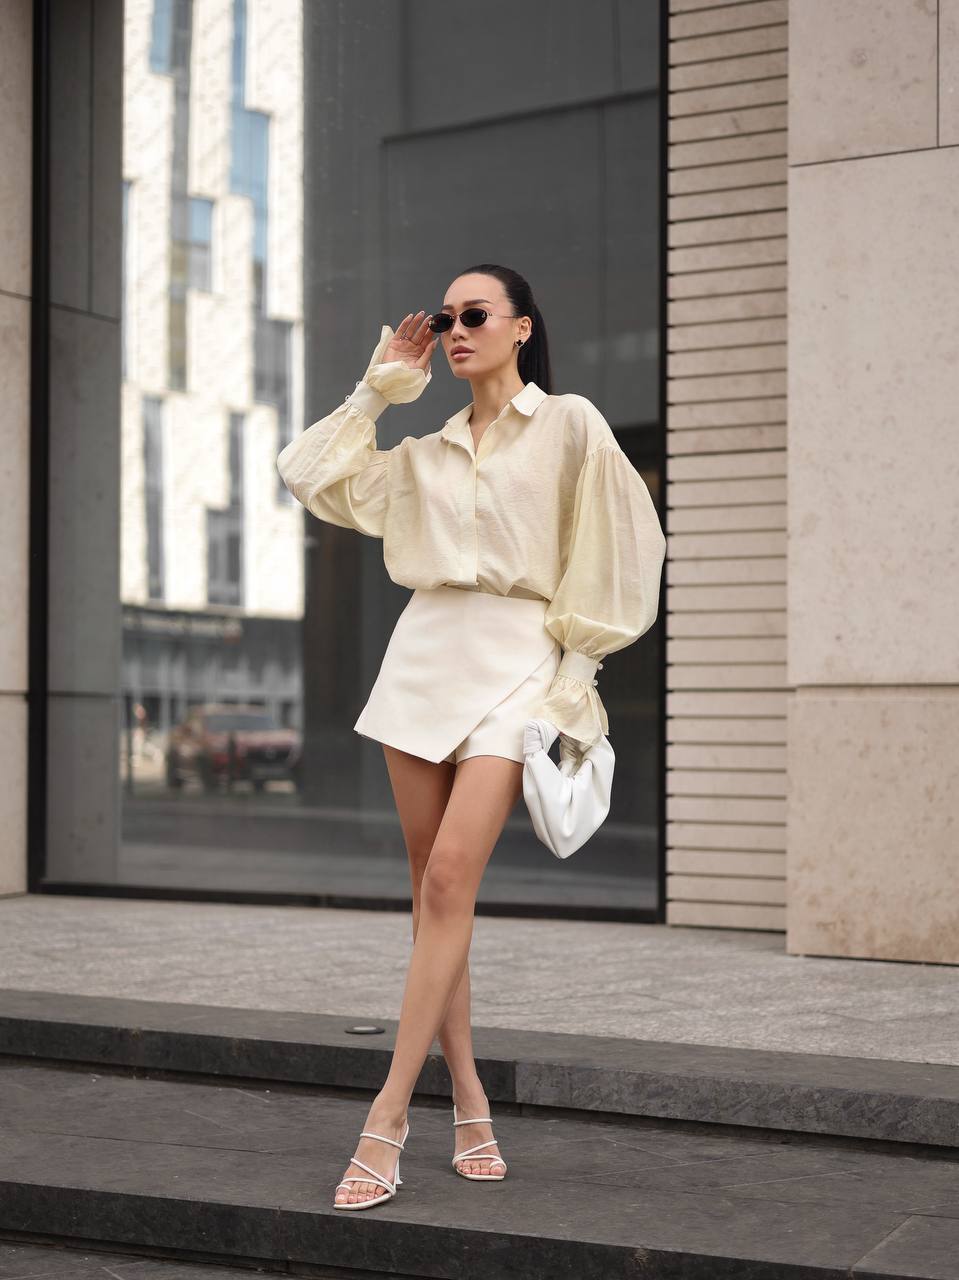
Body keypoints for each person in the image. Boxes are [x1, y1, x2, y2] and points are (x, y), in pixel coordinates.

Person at [276, 263, 667, 1209]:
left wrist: (576, 678)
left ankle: (388, 1115)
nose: (454, 329)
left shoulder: (570, 424)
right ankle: (474, 1103)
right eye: (445, 317)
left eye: (473, 315)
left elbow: (622, 550)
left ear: (521, 327)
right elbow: (307, 474)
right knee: (430, 900)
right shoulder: (423, 453)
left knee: (451, 880)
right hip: (423, 662)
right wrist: (378, 387)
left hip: (521, 659)